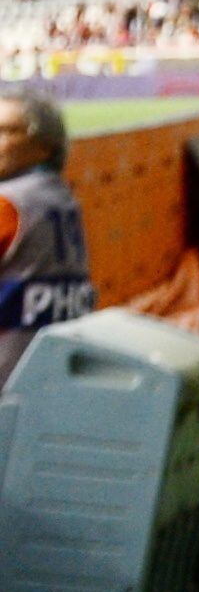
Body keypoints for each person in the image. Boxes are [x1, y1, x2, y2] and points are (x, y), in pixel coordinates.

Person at [0, 92, 94, 380]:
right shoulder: (63, 199)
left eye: (5, 131)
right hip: (57, 376)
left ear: (44, 146)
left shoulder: (9, 204)